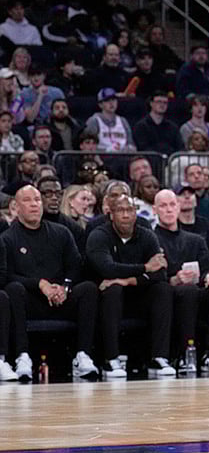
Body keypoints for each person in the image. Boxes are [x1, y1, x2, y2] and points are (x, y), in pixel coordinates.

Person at [2, 184, 99, 380]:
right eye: (27, 201)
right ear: (15, 207)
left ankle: (83, 355)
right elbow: (7, 275)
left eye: (37, 200)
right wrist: (39, 284)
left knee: (88, 289)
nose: (34, 205)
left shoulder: (61, 232)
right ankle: (22, 356)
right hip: (30, 301)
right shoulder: (7, 238)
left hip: (61, 298)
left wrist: (65, 286)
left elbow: (76, 267)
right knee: (12, 289)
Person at [86, 194, 174, 379]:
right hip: (107, 298)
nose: (125, 215)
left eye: (130, 210)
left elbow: (160, 273)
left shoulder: (147, 235)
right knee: (113, 289)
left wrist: (128, 280)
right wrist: (144, 268)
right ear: (111, 215)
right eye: (120, 210)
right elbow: (107, 269)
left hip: (138, 294)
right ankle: (111, 359)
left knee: (163, 289)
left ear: (136, 214)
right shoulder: (99, 235)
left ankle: (159, 357)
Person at [154, 189, 209, 374]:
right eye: (163, 206)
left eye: (172, 204)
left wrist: (208, 276)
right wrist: (173, 279)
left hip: (194, 289)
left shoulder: (195, 240)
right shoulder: (151, 238)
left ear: (179, 207)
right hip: (166, 292)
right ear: (155, 209)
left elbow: (204, 270)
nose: (169, 210)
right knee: (187, 290)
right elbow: (151, 273)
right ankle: (184, 354)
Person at [84, 88, 136, 153]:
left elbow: (131, 144)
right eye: (107, 100)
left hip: (123, 158)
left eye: (113, 100)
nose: (111, 103)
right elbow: (88, 147)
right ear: (100, 105)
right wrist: (106, 151)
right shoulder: (94, 121)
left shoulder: (123, 121)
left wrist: (128, 149)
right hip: (102, 159)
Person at [132, 92, 184, 156]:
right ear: (151, 103)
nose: (162, 105)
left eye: (165, 103)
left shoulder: (173, 127)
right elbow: (142, 148)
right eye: (159, 102)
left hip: (171, 161)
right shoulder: (141, 126)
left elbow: (180, 147)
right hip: (149, 161)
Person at [177, 185, 209, 259]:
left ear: (196, 200)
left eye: (191, 194)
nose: (187, 197)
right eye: (182, 194)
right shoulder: (172, 227)